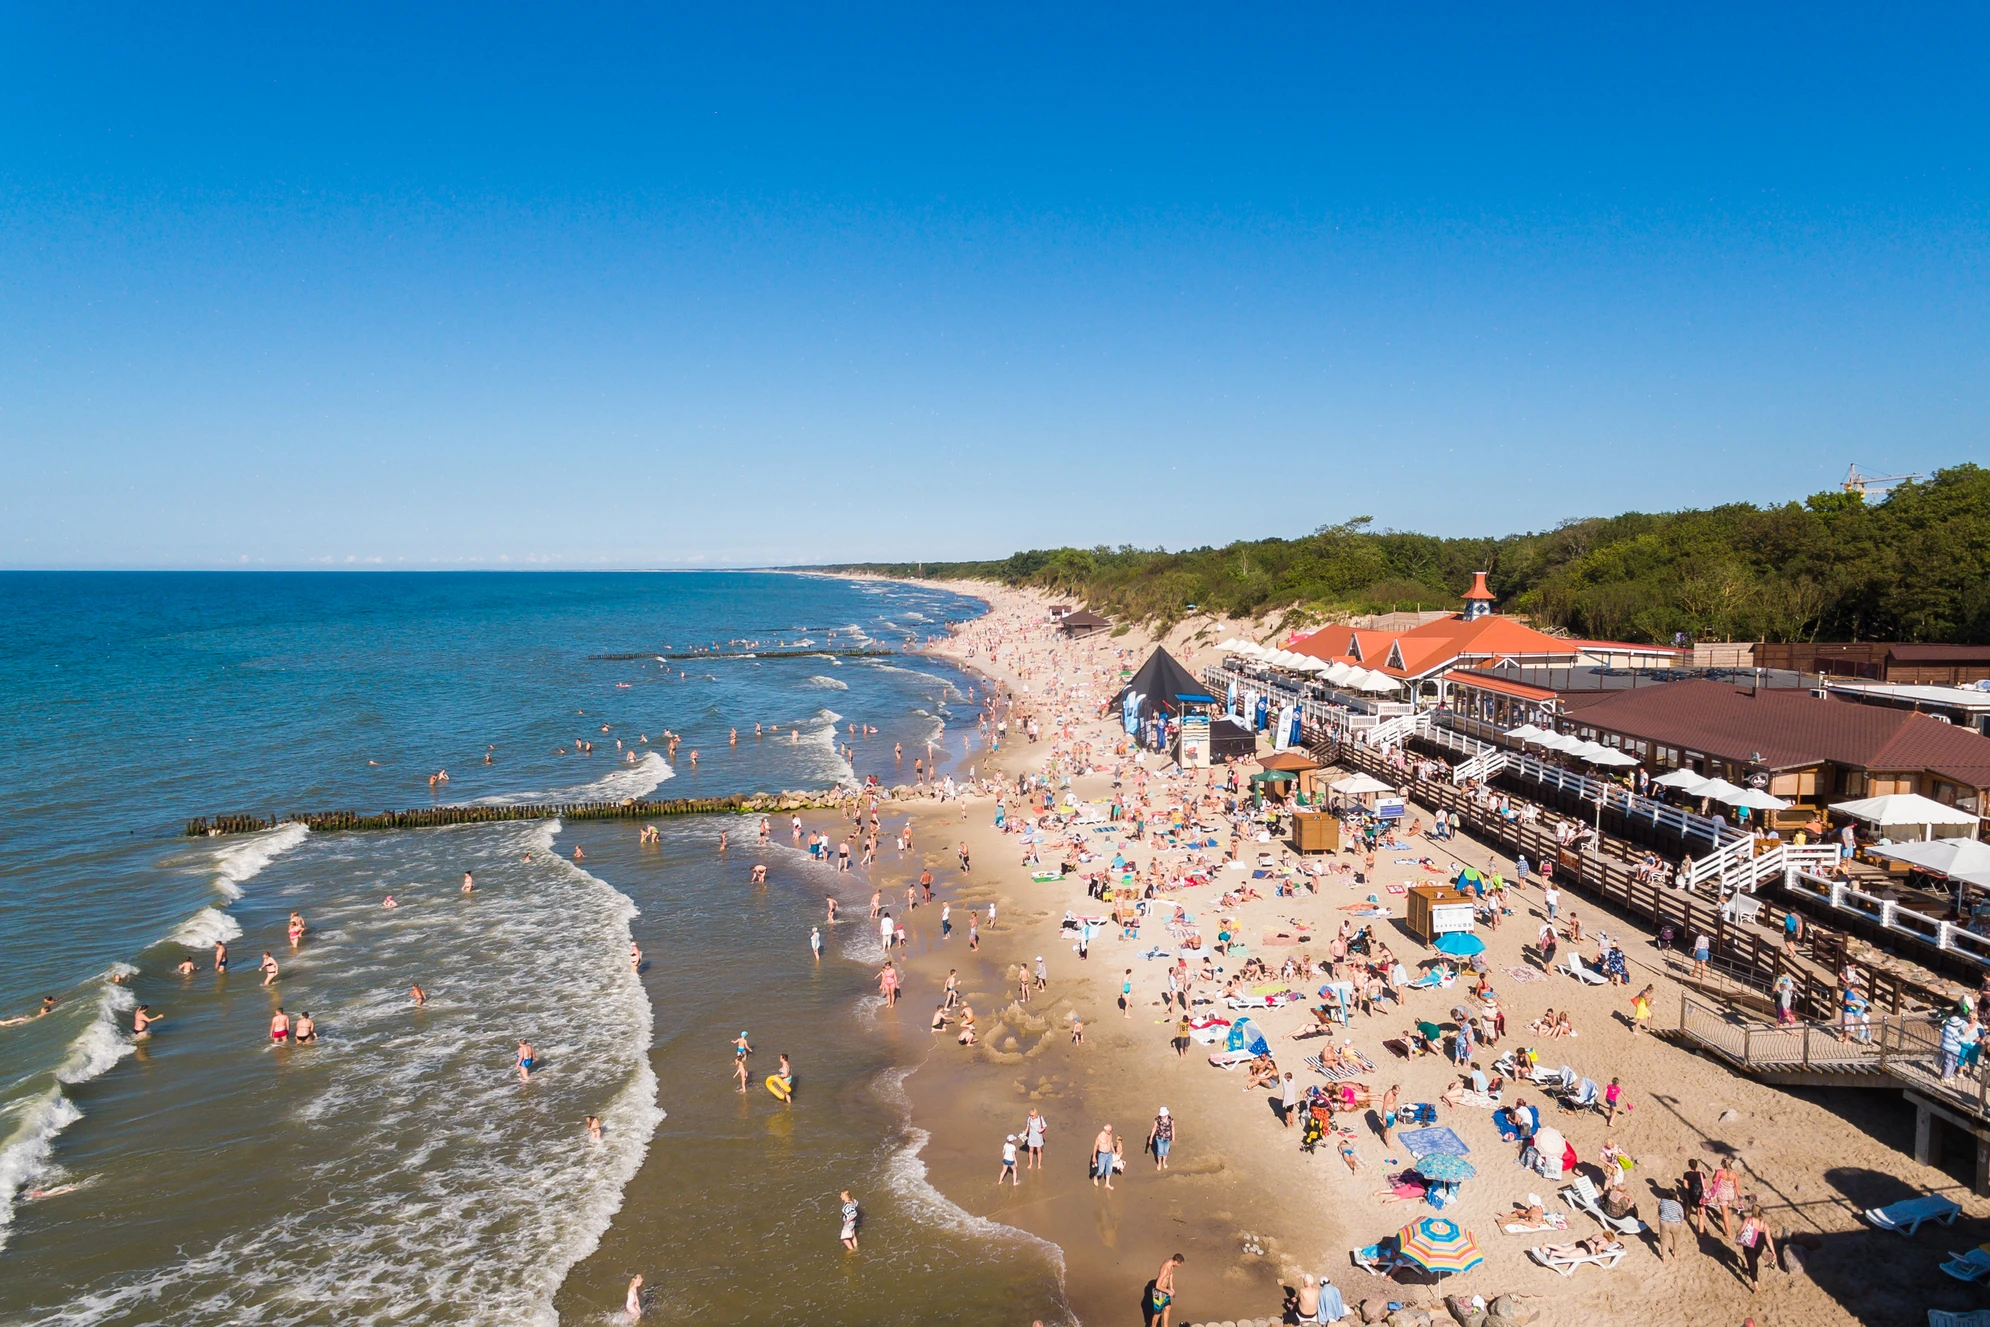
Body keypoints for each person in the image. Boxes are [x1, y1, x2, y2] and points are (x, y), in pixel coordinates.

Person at [1149, 1253, 1184, 1327]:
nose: (1180, 1266)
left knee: (1168, 1308)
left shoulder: (1171, 1263)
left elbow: (1171, 1274)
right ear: (1176, 1262)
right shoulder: (1165, 1269)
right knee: (1157, 1315)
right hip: (1158, 1293)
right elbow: (1157, 1285)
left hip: (1165, 1290)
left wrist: (1171, 1287)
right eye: (1180, 1264)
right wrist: (1169, 1292)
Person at [1656, 1186, 1688, 1262]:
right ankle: (1675, 1253)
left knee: (1663, 1241)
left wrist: (1660, 1216)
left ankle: (1664, 1257)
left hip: (1664, 1223)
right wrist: (1679, 1222)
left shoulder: (1663, 1201)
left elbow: (1659, 1210)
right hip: (1675, 1224)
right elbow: (1682, 1215)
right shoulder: (1678, 1204)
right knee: (1676, 1239)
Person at [1146, 1106, 1174, 1171]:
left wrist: (1173, 1136)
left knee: (1166, 1151)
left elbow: (1173, 1127)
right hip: (1159, 1138)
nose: (1162, 1116)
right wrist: (1151, 1138)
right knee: (1160, 1151)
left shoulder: (1171, 1120)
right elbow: (1154, 1128)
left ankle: (1164, 1162)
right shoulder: (1157, 1120)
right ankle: (1159, 1163)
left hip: (1167, 1139)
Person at [1091, 1123, 1117, 1189]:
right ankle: (1095, 1176)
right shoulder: (1100, 1136)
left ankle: (1107, 1184)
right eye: (1110, 1131)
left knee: (1109, 1168)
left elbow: (1111, 1142)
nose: (1111, 1132)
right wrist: (1094, 1156)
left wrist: (1113, 1151)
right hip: (1102, 1154)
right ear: (1106, 1130)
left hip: (1109, 1153)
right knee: (1101, 1170)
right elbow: (1095, 1146)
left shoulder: (1110, 1134)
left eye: (1112, 1130)